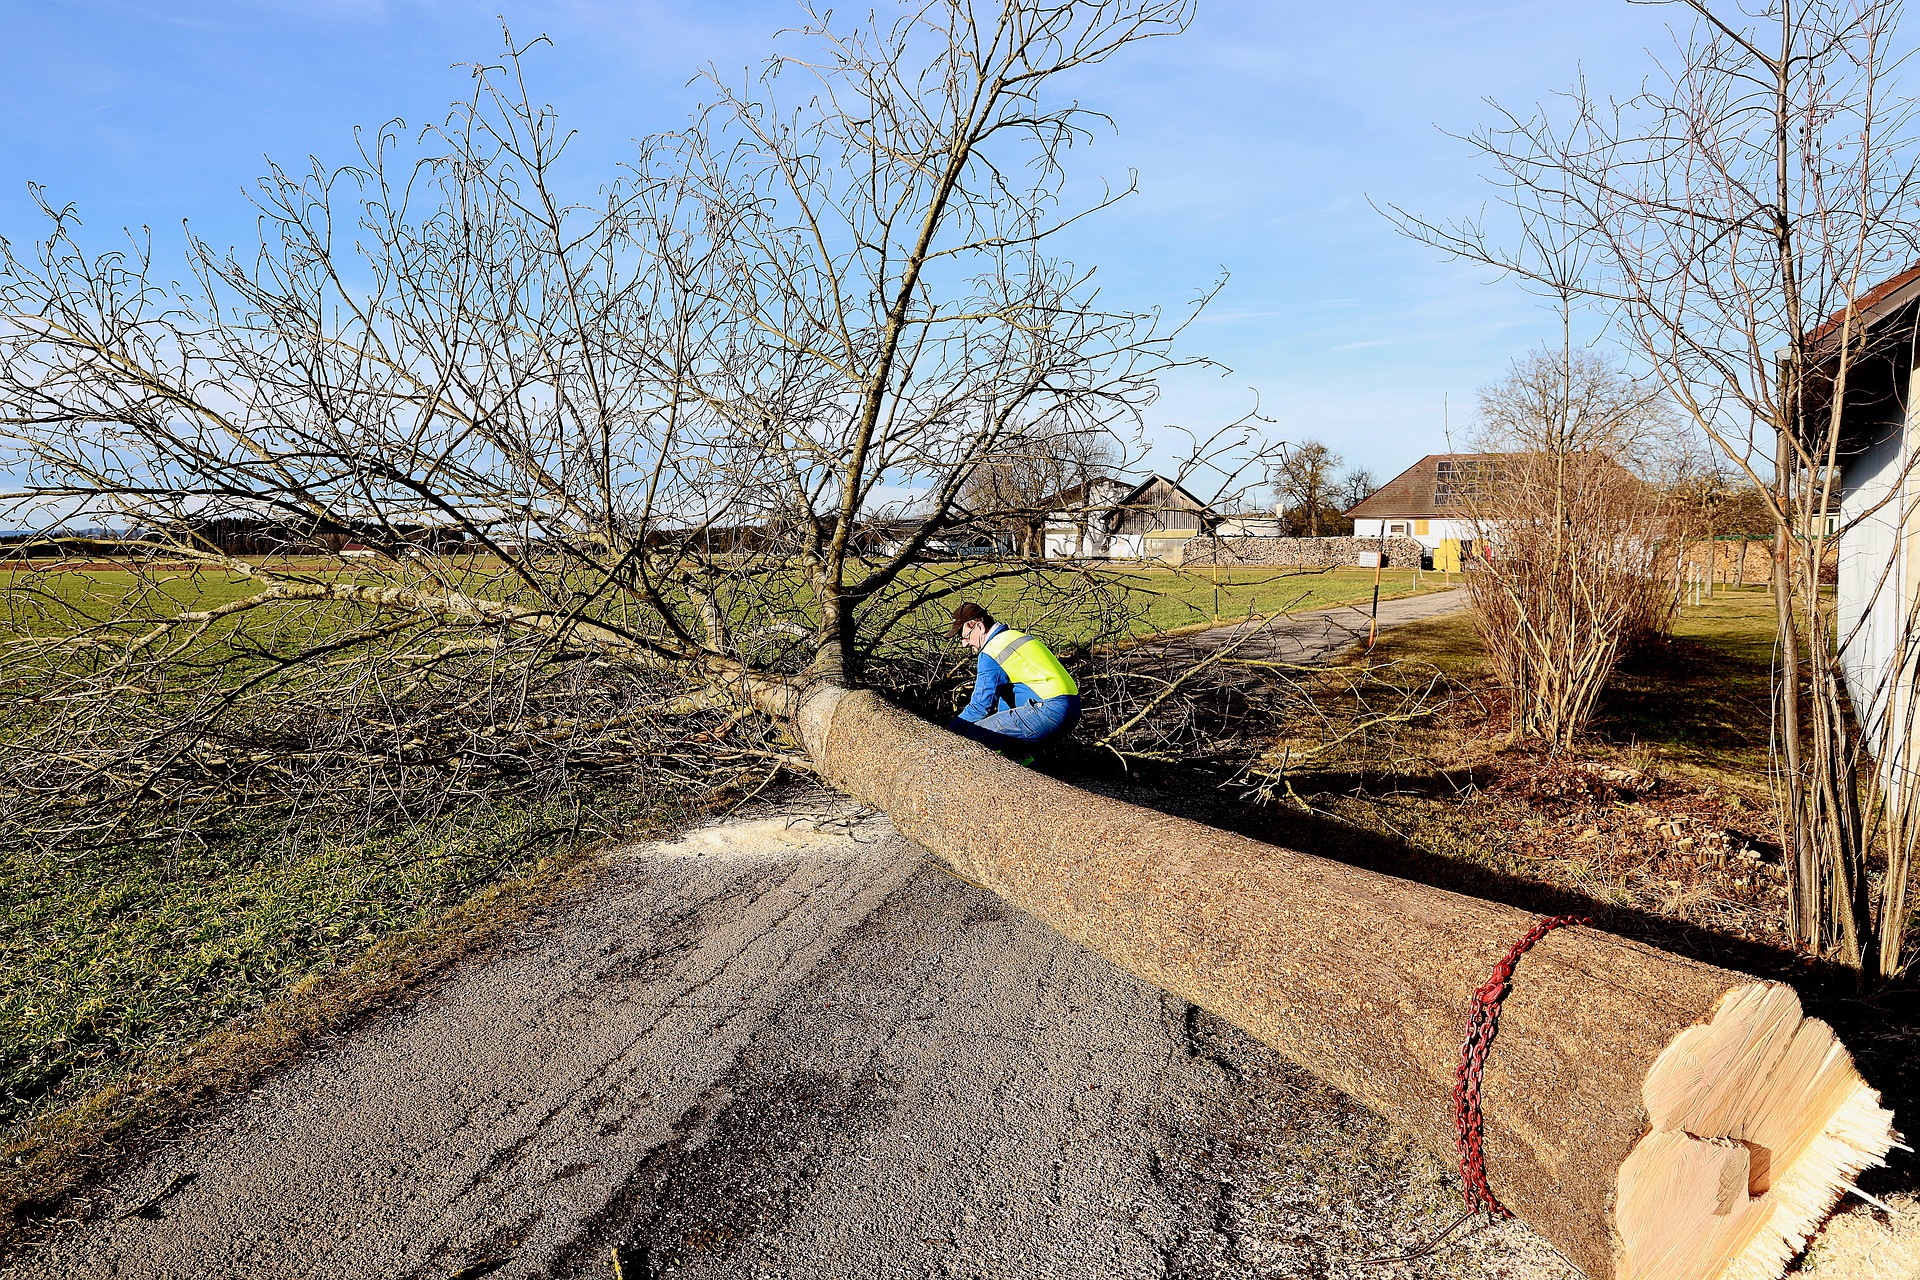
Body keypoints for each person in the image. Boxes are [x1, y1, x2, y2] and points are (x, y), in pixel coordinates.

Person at [945, 601, 1081, 756]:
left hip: (1049, 710)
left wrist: (950, 733)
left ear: (979, 627)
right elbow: (1010, 700)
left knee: (975, 735)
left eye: (965, 636)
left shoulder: (992, 651)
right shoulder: (1015, 637)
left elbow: (980, 707)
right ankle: (1029, 772)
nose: (964, 643)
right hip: (1071, 708)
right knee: (1012, 752)